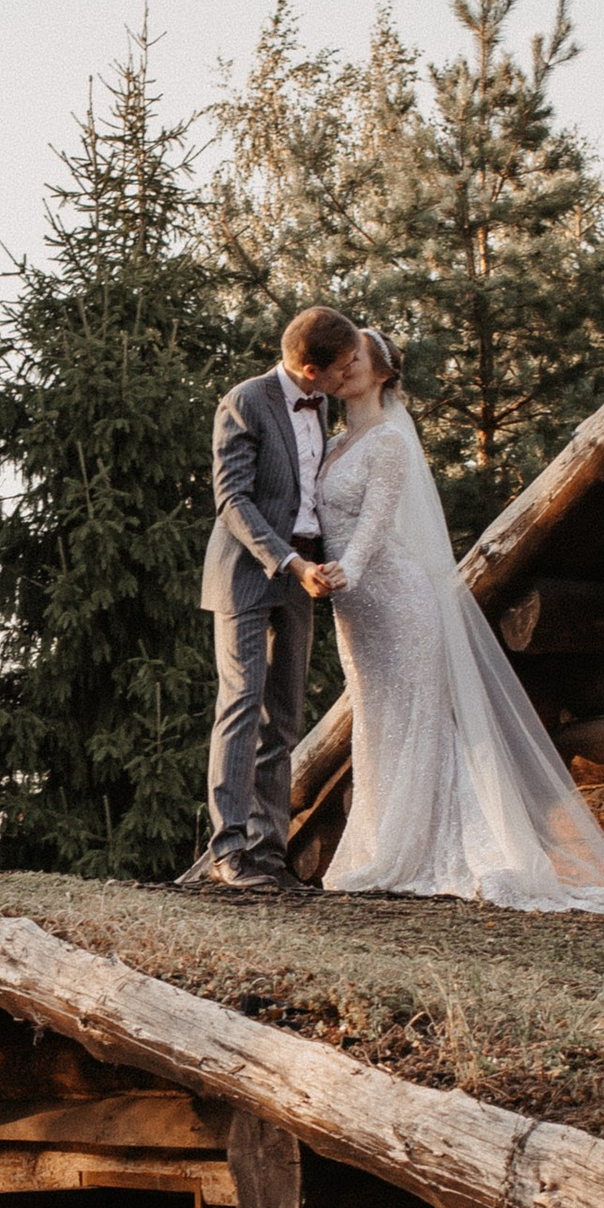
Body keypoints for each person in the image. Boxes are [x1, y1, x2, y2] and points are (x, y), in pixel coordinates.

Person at [310, 327, 604, 914]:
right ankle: (384, 844)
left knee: (417, 720)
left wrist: (347, 569)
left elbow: (375, 523)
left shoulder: (389, 440)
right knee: (377, 718)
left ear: (383, 373)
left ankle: (420, 851)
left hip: (392, 596)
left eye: (355, 358)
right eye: (340, 360)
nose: (343, 367)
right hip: (356, 611)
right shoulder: (336, 444)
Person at [181, 306, 374, 897]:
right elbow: (232, 500)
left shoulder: (326, 408)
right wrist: (288, 561)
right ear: (311, 369)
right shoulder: (246, 400)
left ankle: (268, 852)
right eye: (343, 367)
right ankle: (228, 850)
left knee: (283, 715)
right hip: (246, 572)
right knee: (241, 703)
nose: (349, 376)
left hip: (305, 575)